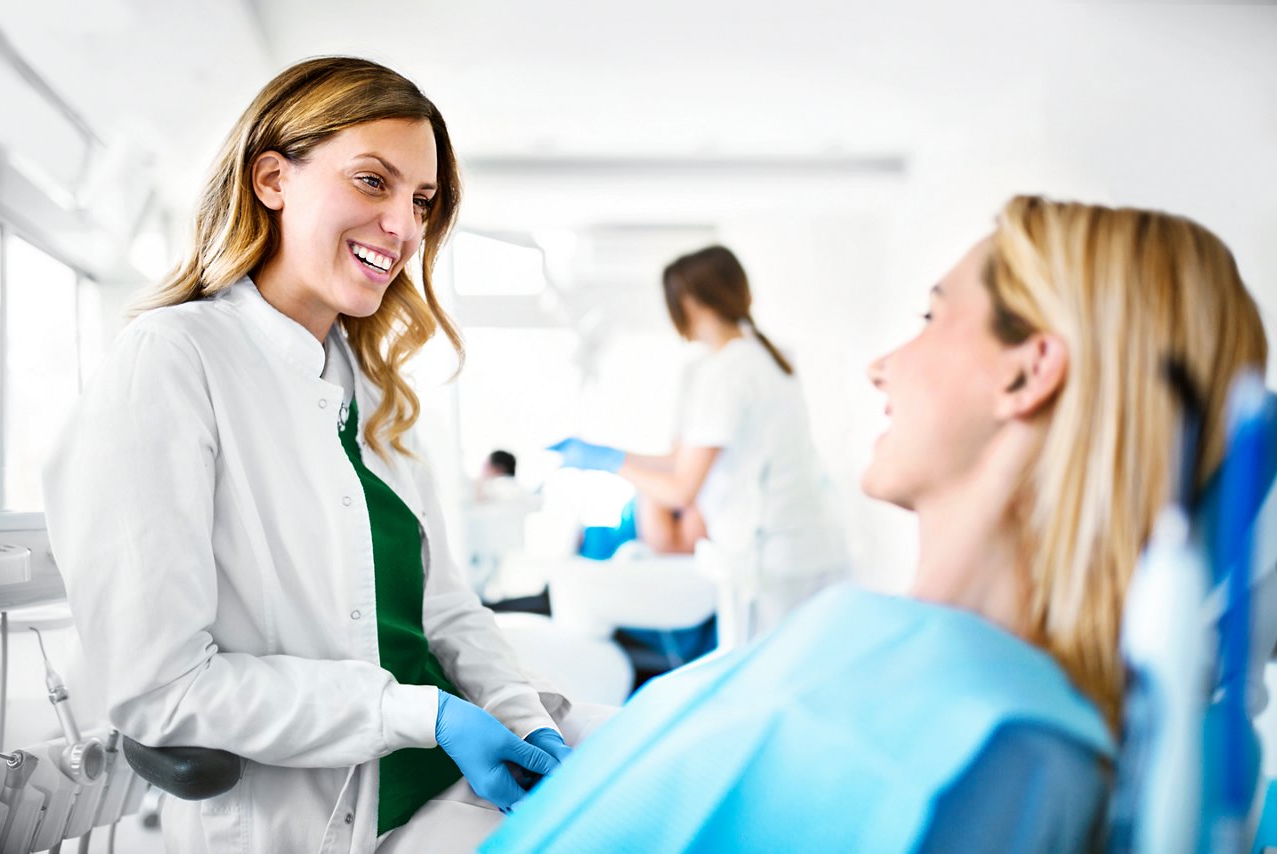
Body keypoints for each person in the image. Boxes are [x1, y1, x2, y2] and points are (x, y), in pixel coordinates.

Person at [481, 196, 1269, 852]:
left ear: (1026, 371)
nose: (879, 365)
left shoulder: (981, 745)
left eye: (932, 315)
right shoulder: (895, 667)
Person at [43, 57, 571, 854]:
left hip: (448, 795)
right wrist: (421, 713)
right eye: (372, 182)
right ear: (270, 179)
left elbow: (447, 610)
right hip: (323, 822)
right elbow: (161, 689)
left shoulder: (373, 384)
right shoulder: (173, 360)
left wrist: (524, 717)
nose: (403, 225)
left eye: (421, 200)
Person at [550, 245, 849, 643]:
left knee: (761, 680)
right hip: (804, 545)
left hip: (770, 558)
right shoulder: (765, 357)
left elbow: (681, 488)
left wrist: (609, 463)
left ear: (688, 301)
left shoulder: (725, 372)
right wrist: (610, 454)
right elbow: (681, 460)